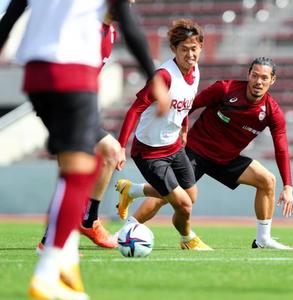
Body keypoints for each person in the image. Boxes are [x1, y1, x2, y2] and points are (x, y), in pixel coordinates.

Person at [0, 0, 169, 299]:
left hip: (36, 75)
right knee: (80, 172)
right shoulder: (103, 26)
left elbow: (10, 15)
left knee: (80, 165)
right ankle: (47, 272)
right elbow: (131, 25)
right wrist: (153, 78)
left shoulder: (105, 30)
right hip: (72, 73)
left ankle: (67, 266)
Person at [117, 57, 293, 250]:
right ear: (248, 75)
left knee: (267, 180)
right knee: (167, 196)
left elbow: (281, 147)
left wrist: (288, 187)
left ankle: (262, 240)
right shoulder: (225, 89)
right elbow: (190, 105)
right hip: (196, 153)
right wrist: (181, 128)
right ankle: (126, 230)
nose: (258, 82)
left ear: (272, 80)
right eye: (255, 76)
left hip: (227, 159)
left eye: (264, 78)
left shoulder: (272, 112)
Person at [36, 3, 131, 253]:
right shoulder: (85, 23)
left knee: (110, 152)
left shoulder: (111, 32)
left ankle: (87, 221)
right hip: (59, 98)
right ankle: (53, 239)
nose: (129, 4)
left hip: (79, 104)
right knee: (73, 167)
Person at [115, 19, 212, 251]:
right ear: (174, 50)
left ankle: (133, 190)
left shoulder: (195, 71)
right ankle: (188, 239)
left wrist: (185, 126)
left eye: (194, 48)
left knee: (191, 195)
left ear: (201, 47)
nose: (190, 54)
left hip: (174, 146)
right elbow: (135, 108)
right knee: (184, 205)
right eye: (184, 49)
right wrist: (120, 146)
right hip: (149, 152)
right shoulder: (165, 76)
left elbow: (184, 104)